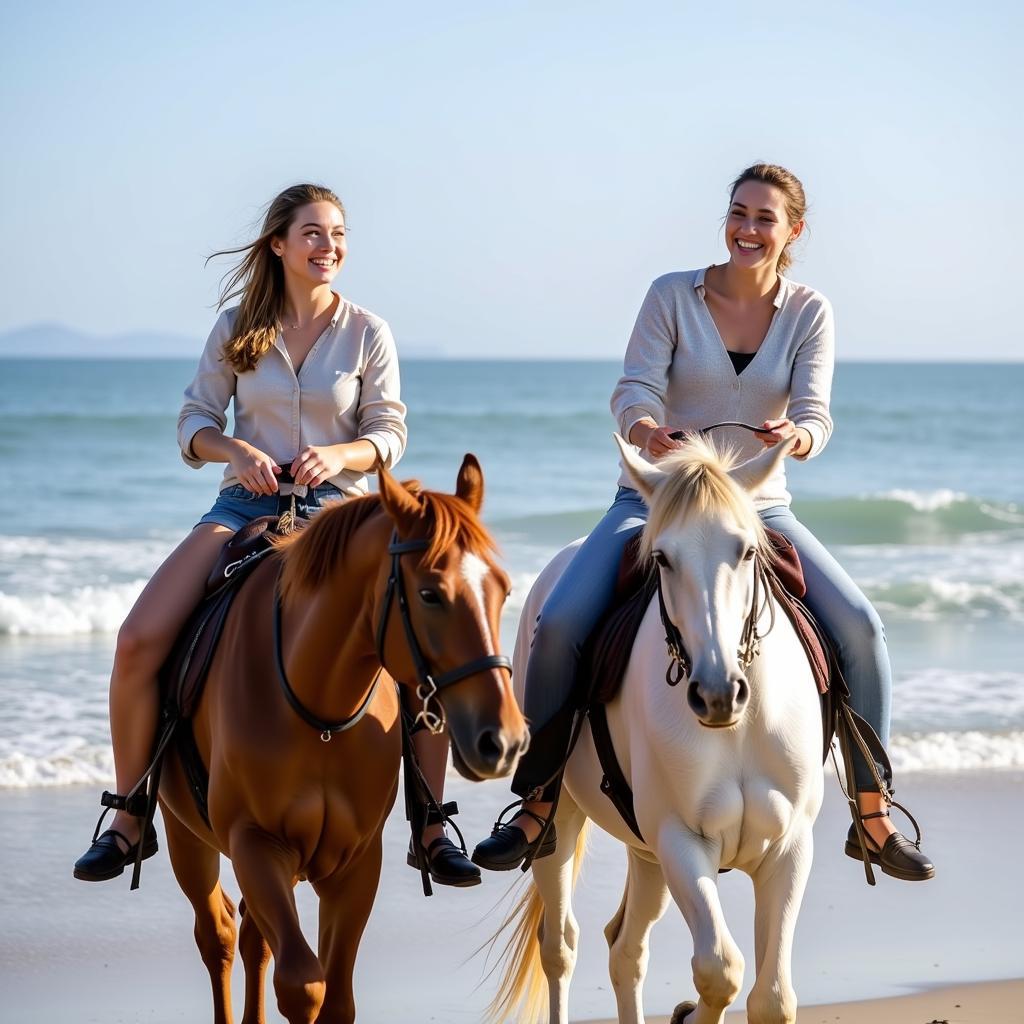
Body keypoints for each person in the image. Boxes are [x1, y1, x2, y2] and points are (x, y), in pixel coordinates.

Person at [473, 163, 934, 882]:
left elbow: (816, 411)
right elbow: (633, 387)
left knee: (862, 628)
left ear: (793, 232)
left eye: (765, 219)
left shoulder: (811, 311)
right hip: (655, 501)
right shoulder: (670, 295)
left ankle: (872, 813)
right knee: (558, 622)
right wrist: (648, 428)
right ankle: (535, 805)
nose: (748, 229)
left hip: (758, 506)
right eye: (739, 213)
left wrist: (799, 437)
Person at [74, 183, 480, 888]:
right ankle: (130, 813)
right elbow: (193, 424)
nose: (331, 247)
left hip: (341, 515)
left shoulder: (367, 332)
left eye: (340, 235)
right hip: (241, 508)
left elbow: (389, 432)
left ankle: (431, 822)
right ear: (279, 245)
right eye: (315, 234)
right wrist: (237, 452)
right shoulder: (238, 326)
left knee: (419, 643)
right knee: (137, 639)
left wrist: (341, 456)